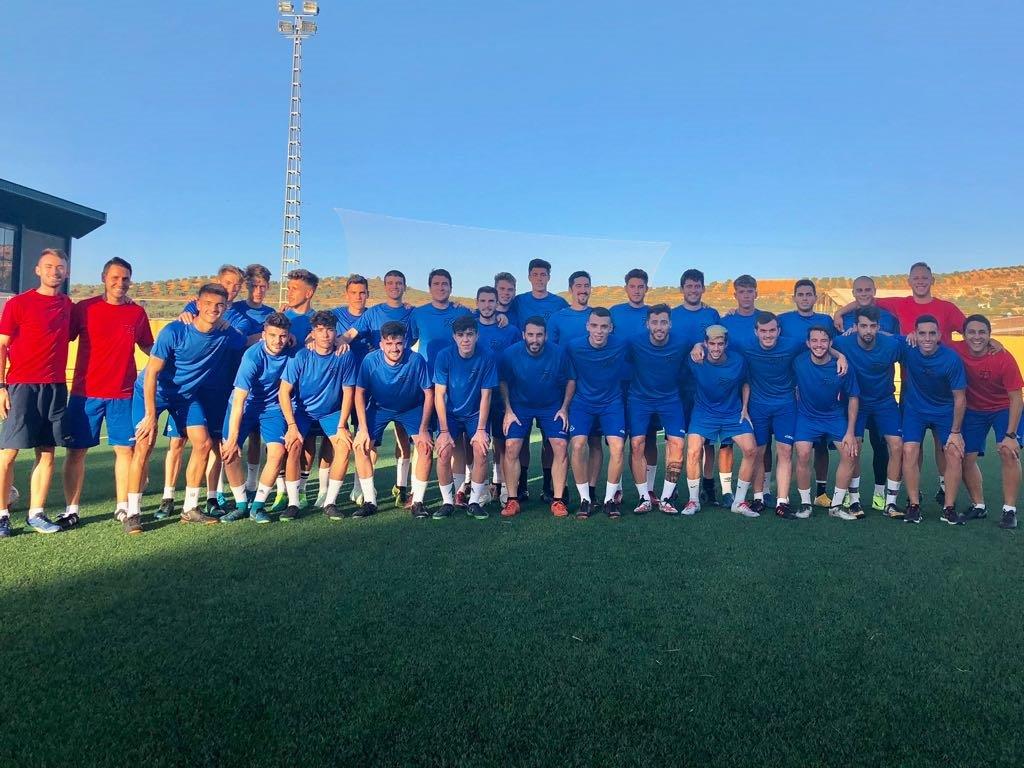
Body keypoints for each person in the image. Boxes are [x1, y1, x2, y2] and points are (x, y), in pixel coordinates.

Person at [128, 283, 245, 531]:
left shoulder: (227, 333)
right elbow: (151, 374)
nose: (214, 309)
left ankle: (190, 508)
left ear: (225, 308)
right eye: (208, 304)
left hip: (185, 396)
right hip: (153, 391)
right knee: (144, 445)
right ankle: (133, 512)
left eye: (219, 305)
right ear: (198, 304)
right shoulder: (174, 331)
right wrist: (150, 415)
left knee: (202, 443)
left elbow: (252, 341)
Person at [62, 257, 154, 531]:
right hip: (84, 393)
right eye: (115, 277)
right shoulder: (84, 309)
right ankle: (71, 510)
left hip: (123, 395)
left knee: (125, 450)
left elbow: (150, 347)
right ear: (103, 277)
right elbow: (60, 337)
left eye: (125, 278)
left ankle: (123, 506)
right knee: (76, 452)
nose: (120, 283)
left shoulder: (136, 313)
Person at [0, 249, 74, 536]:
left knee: (47, 452)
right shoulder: (19, 304)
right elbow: (2, 345)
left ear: (66, 272)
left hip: (55, 387)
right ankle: (3, 514)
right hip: (21, 386)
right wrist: (1, 387)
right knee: (8, 453)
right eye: (49, 266)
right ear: (38, 270)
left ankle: (36, 513)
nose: (54, 271)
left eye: (60, 267)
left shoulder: (69, 306)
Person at [343, 269, 418, 508]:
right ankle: (363, 490)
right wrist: (330, 341)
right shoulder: (373, 313)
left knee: (406, 440)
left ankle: (403, 486)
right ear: (384, 287)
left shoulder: (413, 313)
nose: (394, 286)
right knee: (367, 441)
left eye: (399, 283)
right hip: (376, 385)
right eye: (390, 283)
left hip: (405, 383)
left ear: (405, 286)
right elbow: (350, 335)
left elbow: (433, 325)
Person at [277, 311, 359, 521]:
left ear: (336, 332)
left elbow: (349, 391)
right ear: (313, 333)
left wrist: (342, 425)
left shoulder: (345, 355)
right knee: (293, 445)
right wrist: (292, 425)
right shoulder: (302, 355)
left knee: (343, 446)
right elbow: (284, 391)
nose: (325, 335)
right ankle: (293, 503)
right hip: (303, 412)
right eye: (320, 331)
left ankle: (330, 502)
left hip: (331, 412)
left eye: (330, 330)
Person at [728, 312, 809, 519]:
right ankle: (758, 498)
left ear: (779, 331)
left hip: (786, 406)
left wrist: (840, 356)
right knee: (758, 451)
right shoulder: (745, 344)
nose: (768, 335)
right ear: (756, 332)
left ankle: (782, 502)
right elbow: (716, 345)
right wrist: (697, 347)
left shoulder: (792, 344)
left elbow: (821, 344)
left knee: (784, 451)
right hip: (757, 406)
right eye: (763, 331)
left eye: (772, 330)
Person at [218, 312, 295, 524]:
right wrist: (233, 438)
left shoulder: (292, 352)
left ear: (288, 336)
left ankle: (258, 505)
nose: (277, 341)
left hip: (271, 408)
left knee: (278, 452)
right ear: (263, 335)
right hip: (243, 406)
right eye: (272, 335)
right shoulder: (252, 357)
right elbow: (240, 400)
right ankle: (241, 504)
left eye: (282, 336)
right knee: (229, 450)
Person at [353, 321, 435, 518]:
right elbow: (359, 393)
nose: (394, 348)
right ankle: (369, 501)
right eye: (389, 344)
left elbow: (429, 393)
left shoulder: (415, 360)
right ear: (381, 344)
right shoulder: (370, 360)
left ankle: (418, 502)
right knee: (361, 446)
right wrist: (362, 428)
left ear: (405, 342)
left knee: (425, 447)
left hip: (410, 408)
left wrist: (424, 429)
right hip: (379, 407)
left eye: (398, 343)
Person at [832, 306, 905, 518]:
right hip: (855, 402)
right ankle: (853, 500)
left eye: (873, 326)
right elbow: (822, 347)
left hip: (885, 402)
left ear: (878, 328)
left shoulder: (891, 345)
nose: (868, 331)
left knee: (897, 445)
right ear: (855, 327)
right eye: (863, 326)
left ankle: (890, 502)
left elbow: (915, 344)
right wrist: (839, 356)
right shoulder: (843, 343)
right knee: (854, 448)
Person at [498, 316, 572, 518]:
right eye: (530, 334)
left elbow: (571, 380)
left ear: (546, 335)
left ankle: (557, 500)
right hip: (520, 406)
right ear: (523, 335)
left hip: (551, 406)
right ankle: (513, 499)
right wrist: (508, 409)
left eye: (539, 335)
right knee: (512, 446)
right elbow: (503, 381)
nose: (535, 339)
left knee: (560, 446)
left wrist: (564, 408)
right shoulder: (510, 354)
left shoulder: (558, 353)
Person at [953, 315, 1023, 529]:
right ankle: (979, 505)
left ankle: (1009, 511)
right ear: (963, 335)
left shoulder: (1002, 357)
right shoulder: (956, 349)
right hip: (974, 410)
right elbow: (928, 340)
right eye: (972, 332)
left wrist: (1010, 436)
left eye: (982, 332)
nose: (977, 337)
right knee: (965, 457)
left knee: (1008, 452)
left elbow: (1016, 398)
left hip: (1003, 407)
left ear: (990, 335)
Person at [899, 315, 967, 525]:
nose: (927, 338)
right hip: (914, 410)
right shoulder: (907, 348)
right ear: (915, 335)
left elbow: (960, 398)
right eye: (922, 333)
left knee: (953, 453)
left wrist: (956, 432)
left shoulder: (951, 359)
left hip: (944, 411)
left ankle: (949, 507)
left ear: (939, 335)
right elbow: (878, 337)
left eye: (931, 333)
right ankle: (913, 505)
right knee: (909, 451)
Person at [684, 325, 758, 516]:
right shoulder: (696, 360)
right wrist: (695, 346)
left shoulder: (738, 361)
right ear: (705, 344)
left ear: (726, 344)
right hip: (704, 412)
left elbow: (745, 383)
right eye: (712, 344)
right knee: (693, 450)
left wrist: (745, 407)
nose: (716, 348)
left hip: (732, 412)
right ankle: (693, 501)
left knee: (751, 449)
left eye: (720, 344)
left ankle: (739, 502)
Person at [564, 307, 629, 519]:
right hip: (583, 403)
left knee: (618, 447)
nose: (599, 331)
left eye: (604, 326)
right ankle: (585, 499)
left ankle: (610, 500)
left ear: (611, 328)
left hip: (612, 403)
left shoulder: (621, 344)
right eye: (594, 326)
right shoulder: (574, 347)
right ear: (587, 327)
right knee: (578, 444)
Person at [791, 327, 861, 521]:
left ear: (830, 344)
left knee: (849, 453)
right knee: (803, 454)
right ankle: (806, 504)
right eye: (814, 340)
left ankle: (836, 506)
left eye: (824, 341)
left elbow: (854, 397)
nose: (819, 345)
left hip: (834, 417)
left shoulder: (842, 367)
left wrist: (850, 431)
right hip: (807, 417)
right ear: (808, 343)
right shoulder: (798, 361)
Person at [432, 315, 498, 519]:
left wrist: (480, 430)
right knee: (443, 451)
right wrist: (443, 431)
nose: (465, 339)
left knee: (481, 451)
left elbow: (486, 396)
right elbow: (439, 395)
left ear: (477, 335)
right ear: (454, 337)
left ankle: (474, 501)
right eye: (461, 335)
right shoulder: (444, 356)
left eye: (470, 334)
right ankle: (447, 502)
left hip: (475, 415)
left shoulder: (487, 356)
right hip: (450, 415)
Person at [625, 304, 688, 514]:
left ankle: (666, 498)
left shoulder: (682, 343)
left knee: (678, 444)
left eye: (663, 322)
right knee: (637, 444)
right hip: (640, 399)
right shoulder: (634, 343)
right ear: (647, 324)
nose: (659, 327)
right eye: (654, 322)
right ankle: (644, 497)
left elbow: (700, 348)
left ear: (670, 324)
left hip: (670, 400)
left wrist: (698, 347)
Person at [671, 268, 723, 505]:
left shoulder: (712, 314)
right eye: (689, 286)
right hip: (678, 386)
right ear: (682, 289)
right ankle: (672, 488)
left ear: (703, 288)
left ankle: (708, 486)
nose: (693, 290)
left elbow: (720, 342)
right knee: (677, 440)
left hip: (705, 386)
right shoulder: (673, 315)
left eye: (697, 286)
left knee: (707, 441)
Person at [611, 268, 658, 506]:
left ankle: (648, 490)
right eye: (633, 286)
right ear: (626, 288)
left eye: (641, 286)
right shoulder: (615, 313)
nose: (637, 290)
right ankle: (617, 489)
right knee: (618, 438)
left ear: (646, 288)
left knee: (647, 437)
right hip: (618, 383)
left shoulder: (654, 314)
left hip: (646, 385)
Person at [833, 262, 966, 345]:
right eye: (916, 278)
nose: (920, 281)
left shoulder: (948, 308)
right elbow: (865, 299)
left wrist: (954, 350)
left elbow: (970, 332)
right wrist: (839, 313)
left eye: (925, 278)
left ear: (933, 281)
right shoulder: (900, 304)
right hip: (910, 378)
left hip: (942, 376)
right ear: (909, 281)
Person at [475, 286, 520, 503]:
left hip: (503, 394)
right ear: (477, 304)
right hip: (476, 394)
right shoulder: (471, 328)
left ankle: (502, 487)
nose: (486, 305)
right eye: (482, 301)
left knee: (502, 442)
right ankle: (477, 488)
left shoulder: (509, 330)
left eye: (490, 301)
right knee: (477, 442)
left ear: (496, 303)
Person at [412, 268, 473, 371]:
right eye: (436, 284)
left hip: (456, 373)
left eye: (444, 284)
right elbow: (409, 341)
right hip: (426, 375)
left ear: (451, 288)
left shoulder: (463, 312)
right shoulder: (418, 313)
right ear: (429, 288)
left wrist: (500, 316)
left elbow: (485, 317)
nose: (441, 288)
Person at [508, 258, 568, 329]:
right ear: (529, 277)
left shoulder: (560, 303)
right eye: (535, 274)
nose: (539, 278)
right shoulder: (518, 301)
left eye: (543, 275)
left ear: (548, 277)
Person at [548, 271, 593, 345]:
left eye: (586, 286)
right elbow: (551, 350)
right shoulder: (556, 318)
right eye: (578, 286)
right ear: (570, 289)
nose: (583, 290)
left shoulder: (597, 316)